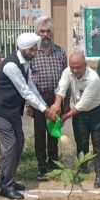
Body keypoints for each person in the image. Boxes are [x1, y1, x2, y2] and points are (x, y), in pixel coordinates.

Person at [0, 33, 56, 200]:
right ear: (23, 48)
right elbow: (25, 91)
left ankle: (10, 178)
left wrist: (45, 107)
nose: (35, 52)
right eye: (32, 49)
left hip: (11, 108)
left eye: (35, 49)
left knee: (20, 141)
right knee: (10, 144)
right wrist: (45, 111)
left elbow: (31, 86)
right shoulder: (11, 65)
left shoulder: (26, 63)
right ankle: (5, 186)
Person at [51, 52, 100, 188]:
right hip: (79, 112)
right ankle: (82, 168)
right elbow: (62, 88)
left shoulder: (93, 79)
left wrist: (65, 116)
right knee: (81, 140)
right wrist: (57, 103)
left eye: (78, 67)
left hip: (97, 110)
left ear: (85, 65)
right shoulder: (67, 72)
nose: (75, 70)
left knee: (97, 142)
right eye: (72, 67)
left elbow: (83, 104)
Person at [28, 16, 69, 180]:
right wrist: (28, 104)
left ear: (52, 33)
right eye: (42, 31)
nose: (45, 34)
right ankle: (41, 167)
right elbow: (26, 80)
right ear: (37, 33)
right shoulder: (31, 52)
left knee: (54, 133)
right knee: (39, 135)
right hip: (38, 100)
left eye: (48, 31)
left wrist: (65, 102)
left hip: (55, 100)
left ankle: (54, 164)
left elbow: (66, 78)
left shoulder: (60, 51)